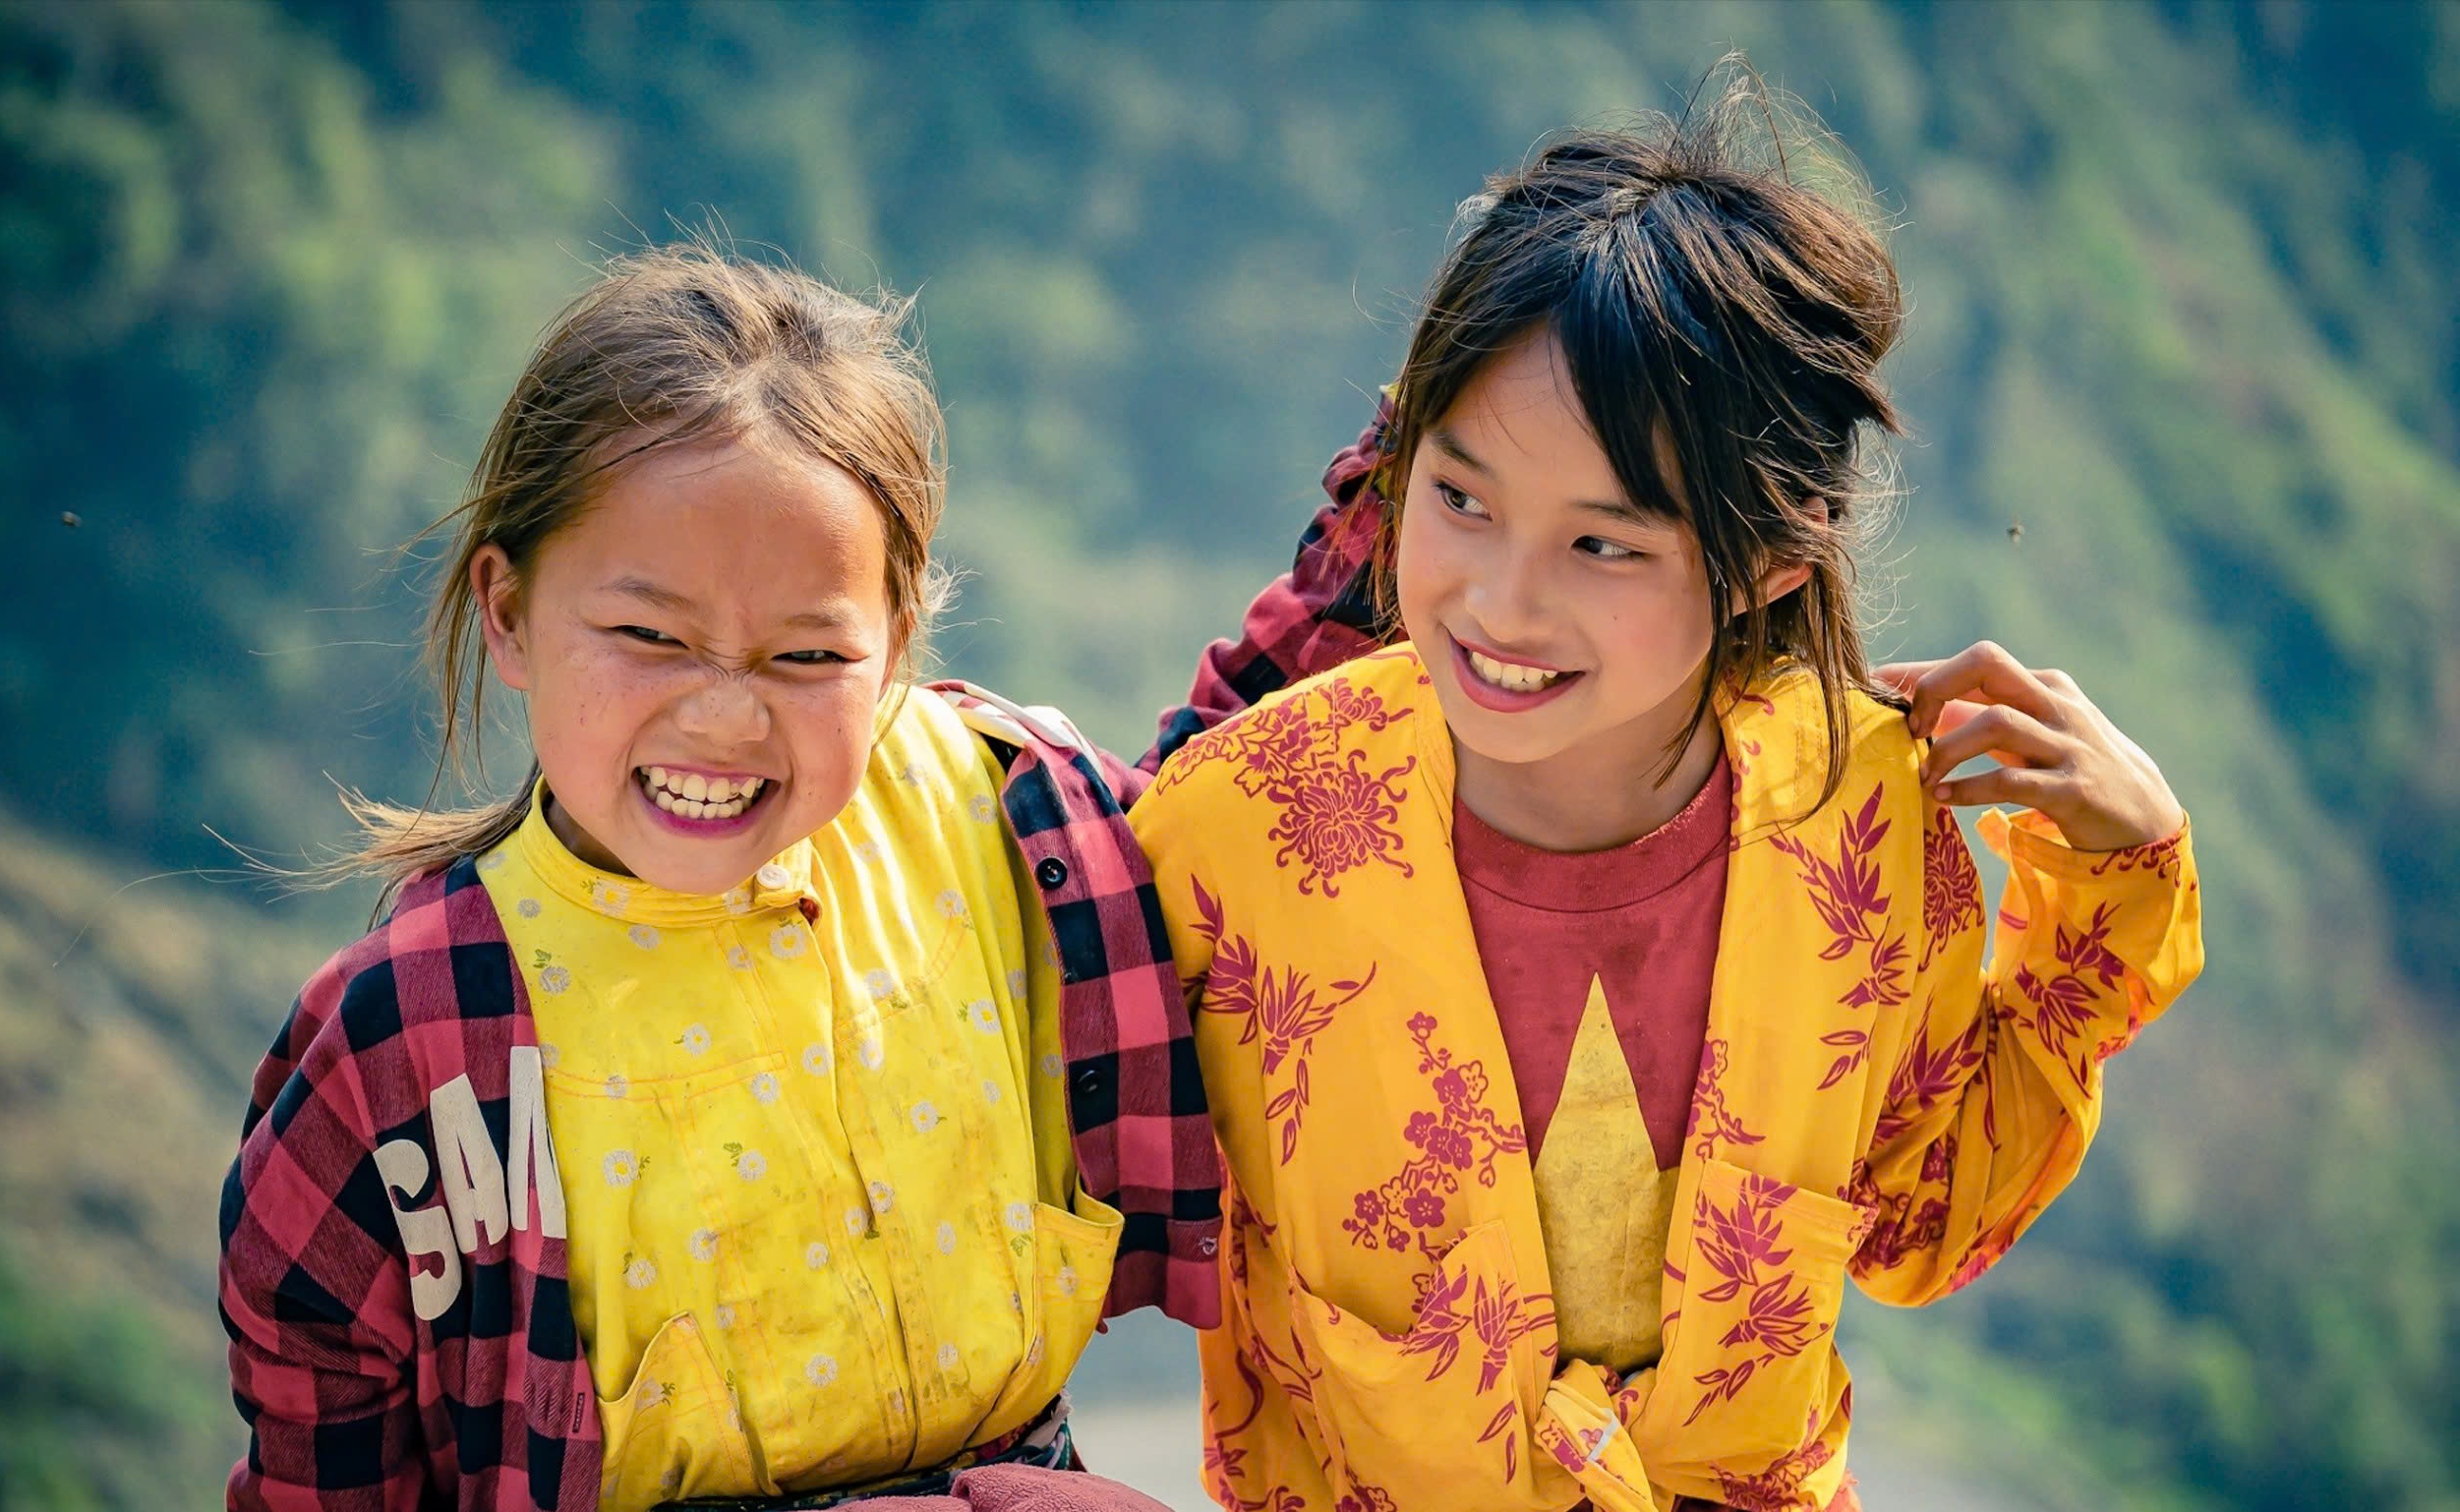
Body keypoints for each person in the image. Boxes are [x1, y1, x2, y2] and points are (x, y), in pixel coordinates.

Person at [1130, 84, 2204, 1512]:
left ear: (1767, 558)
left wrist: (2114, 887)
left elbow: (1923, 1219)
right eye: (1460, 499)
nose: (1502, 603)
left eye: (1604, 544)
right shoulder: (1241, 830)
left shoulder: (1858, 812)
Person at [217, 247, 1213, 1512]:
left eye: (806, 653)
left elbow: (1253, 822)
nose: (727, 720)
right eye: (648, 636)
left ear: (897, 639)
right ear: (509, 613)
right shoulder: (410, 1037)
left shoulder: (1005, 810)